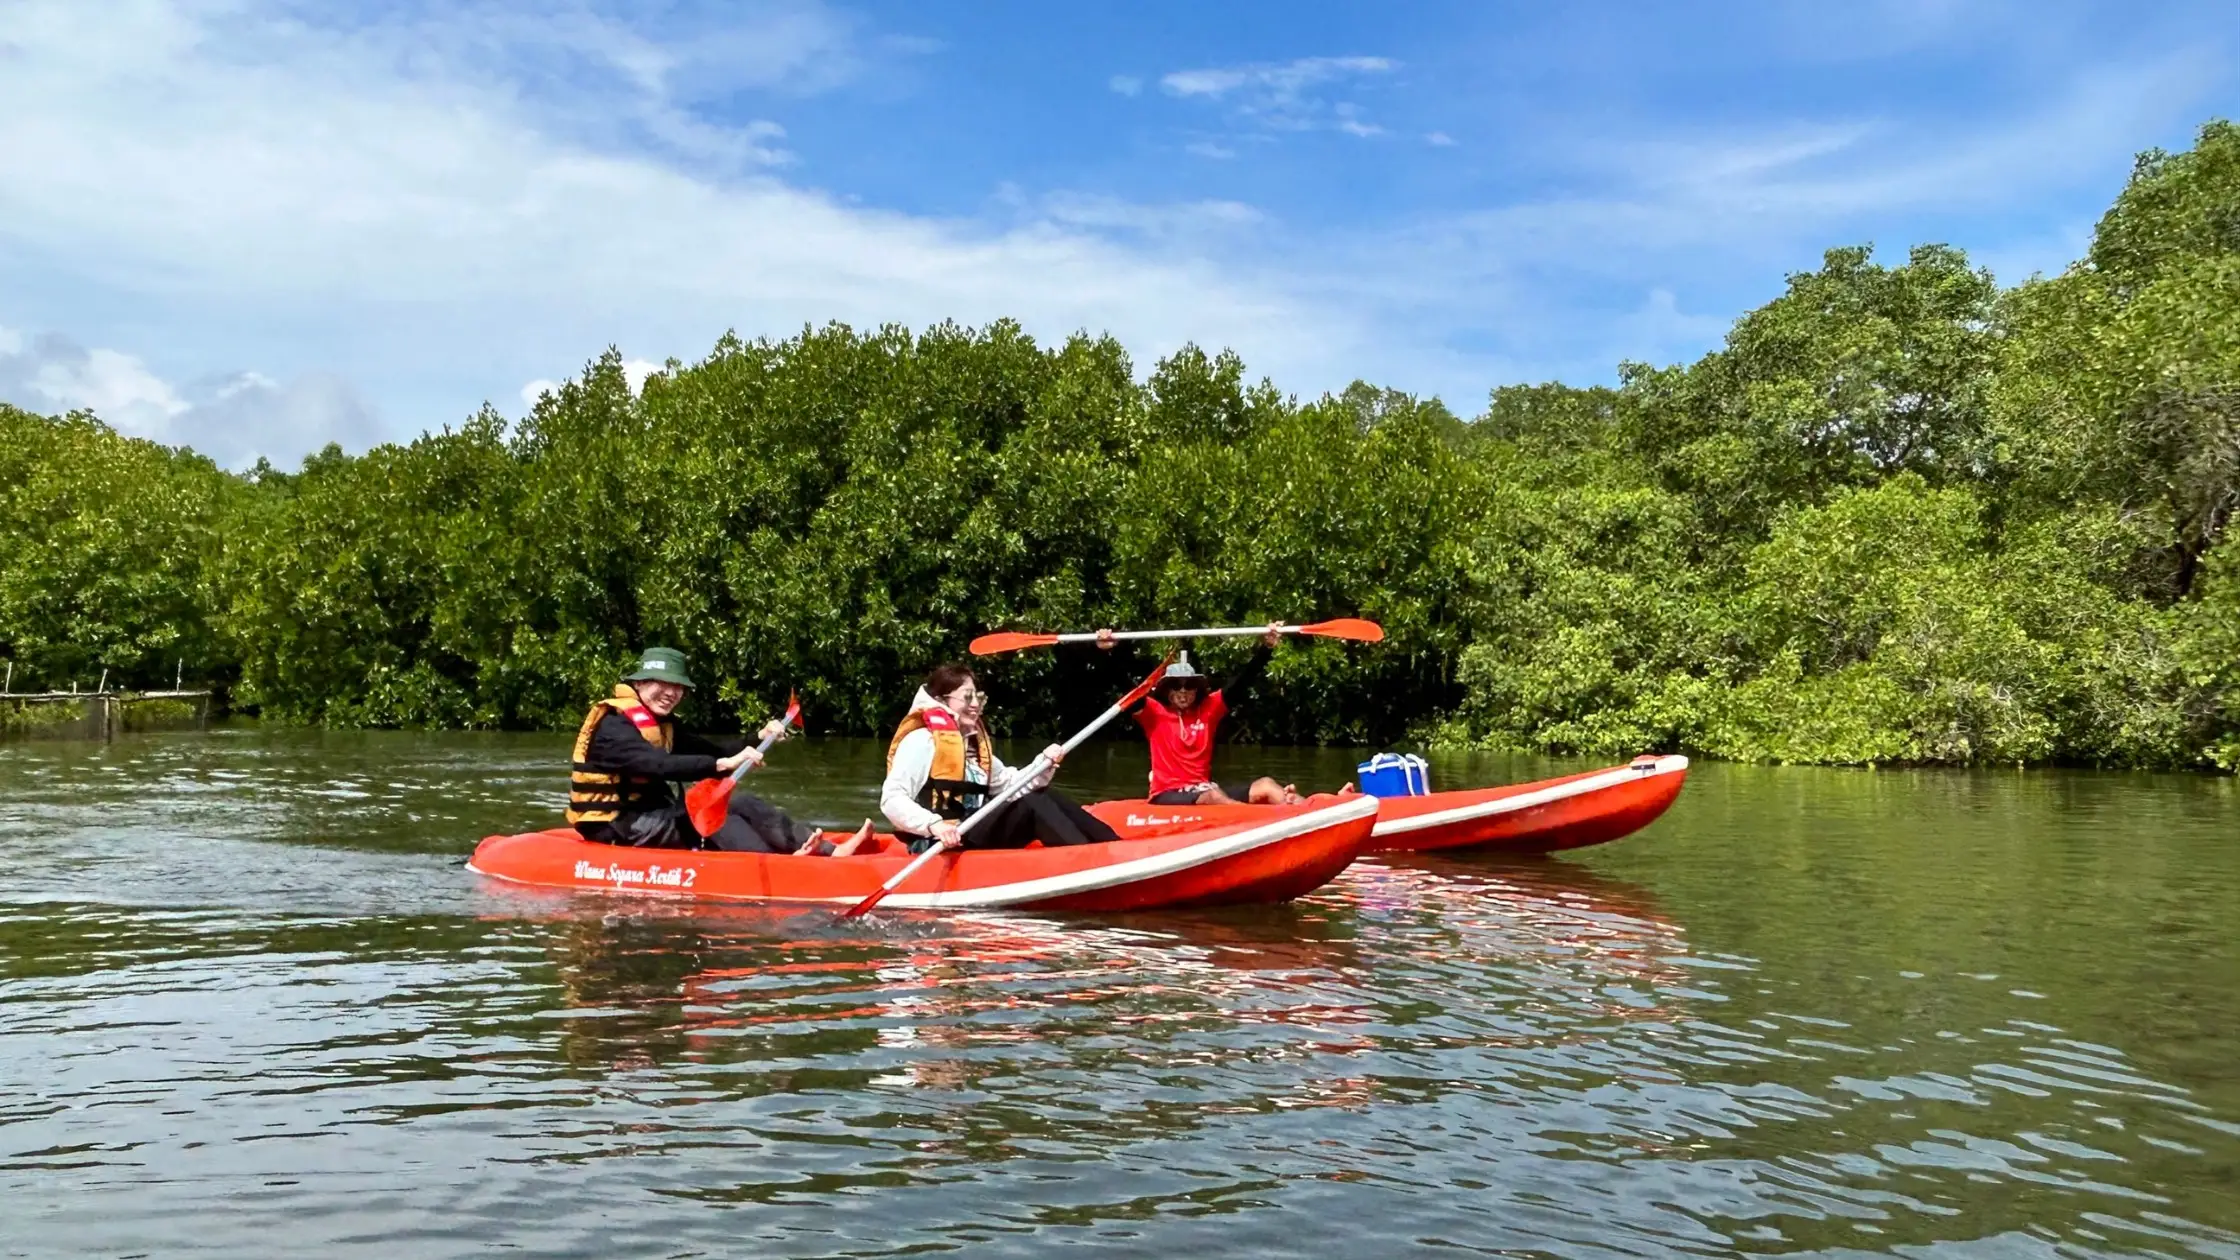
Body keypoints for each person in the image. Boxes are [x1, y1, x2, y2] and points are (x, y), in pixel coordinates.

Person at [567, 646, 870, 855]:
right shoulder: (613, 726)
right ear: (641, 682)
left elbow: (715, 751)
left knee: (742, 800)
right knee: (711, 808)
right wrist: (721, 765)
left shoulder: (663, 724)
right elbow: (656, 765)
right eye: (663, 683)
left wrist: (759, 736)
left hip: (652, 816)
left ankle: (830, 851)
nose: (672, 693)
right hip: (618, 827)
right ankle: (772, 865)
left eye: (678, 686)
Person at [882, 663, 1124, 853]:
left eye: (978, 697)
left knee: (1042, 795)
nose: (976, 704)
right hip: (938, 842)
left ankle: (1113, 846)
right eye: (967, 697)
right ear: (942, 701)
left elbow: (1012, 785)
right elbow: (892, 799)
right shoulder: (921, 740)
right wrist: (933, 824)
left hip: (973, 832)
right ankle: (1084, 858)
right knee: (1032, 804)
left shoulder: (972, 744)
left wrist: (1044, 763)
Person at [1099, 624, 1300, 806]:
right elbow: (1127, 688)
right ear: (1167, 690)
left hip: (1202, 788)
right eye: (1176, 686)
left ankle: (1305, 809)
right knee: (1212, 795)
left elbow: (1243, 681)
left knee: (1265, 785)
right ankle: (1261, 819)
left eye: (1189, 686)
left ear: (1197, 690)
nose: (1183, 691)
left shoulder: (1209, 709)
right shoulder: (1154, 713)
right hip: (1168, 793)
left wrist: (1267, 649)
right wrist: (1109, 654)